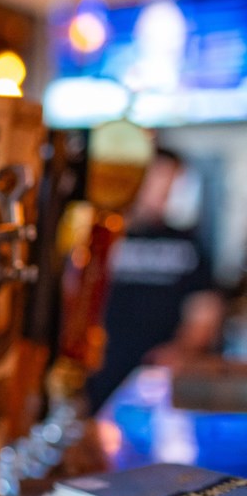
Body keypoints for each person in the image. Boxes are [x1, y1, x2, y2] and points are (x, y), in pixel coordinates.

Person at [86, 148, 222, 413]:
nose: (164, 193)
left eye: (170, 184)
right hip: (96, 377)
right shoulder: (96, 238)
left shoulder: (187, 244)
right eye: (158, 181)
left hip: (158, 387)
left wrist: (181, 350)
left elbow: (205, 313)